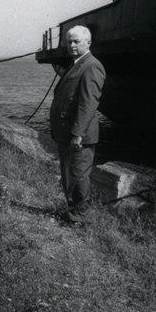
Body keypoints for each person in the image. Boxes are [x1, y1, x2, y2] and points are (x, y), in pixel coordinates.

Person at [48, 25, 106, 225]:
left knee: (78, 175)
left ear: (88, 43)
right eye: (69, 41)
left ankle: (80, 218)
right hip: (68, 132)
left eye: (76, 41)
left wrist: (78, 134)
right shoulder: (76, 64)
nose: (71, 45)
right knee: (70, 175)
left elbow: (88, 104)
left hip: (78, 135)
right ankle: (73, 214)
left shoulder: (92, 66)